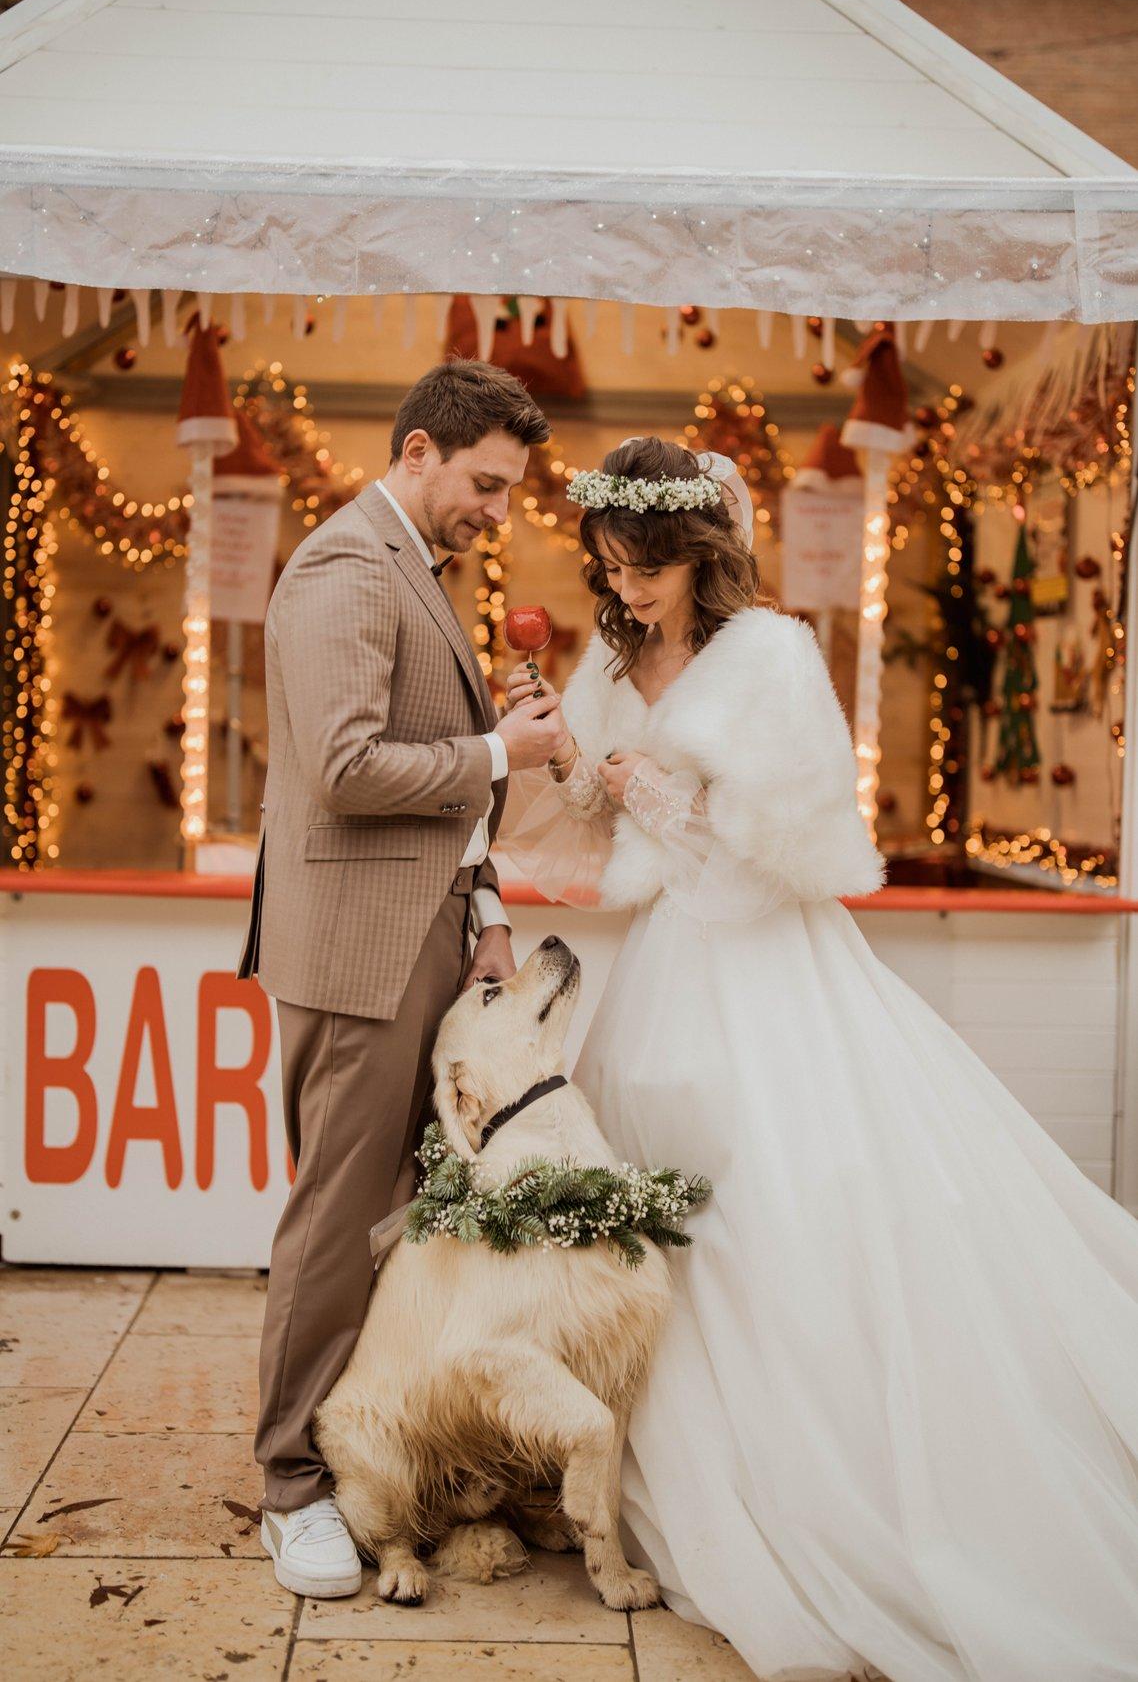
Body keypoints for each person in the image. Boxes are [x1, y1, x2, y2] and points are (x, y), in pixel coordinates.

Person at [500, 435, 1138, 1682]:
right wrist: (564, 753)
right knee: (657, 1213)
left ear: (698, 552)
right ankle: (640, 1465)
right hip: (666, 966)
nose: (624, 590)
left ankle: (801, 1477)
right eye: (610, 566)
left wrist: (660, 798)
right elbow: (582, 813)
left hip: (765, 962)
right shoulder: (614, 655)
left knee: (779, 1205)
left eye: (645, 569)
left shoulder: (771, 656)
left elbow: (788, 845)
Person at [237, 360, 567, 1598]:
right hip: (356, 955)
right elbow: (342, 768)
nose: (498, 509)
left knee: (410, 1226)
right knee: (335, 1223)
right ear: (418, 451)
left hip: (427, 936)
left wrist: (484, 908)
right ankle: (290, 1487)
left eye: (508, 488)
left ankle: (393, 1453)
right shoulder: (339, 568)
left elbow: (446, 800)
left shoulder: (417, 572)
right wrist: (500, 747)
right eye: (485, 483)